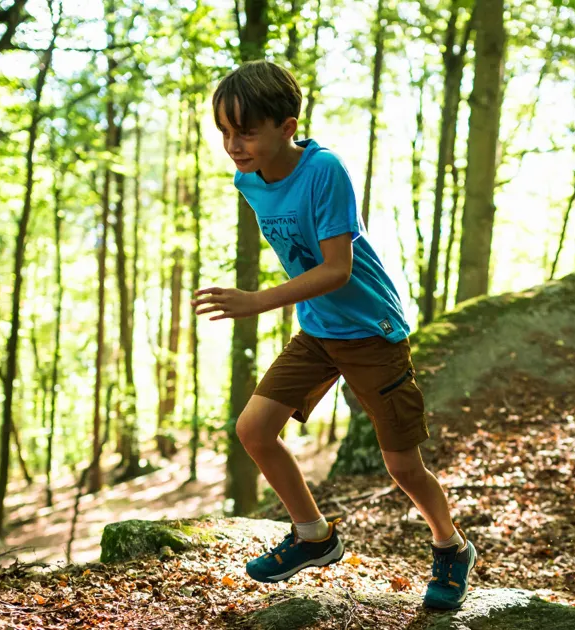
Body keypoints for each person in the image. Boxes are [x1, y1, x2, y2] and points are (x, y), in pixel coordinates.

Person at [192, 60, 475, 609]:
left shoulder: (325, 171)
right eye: (224, 132)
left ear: (287, 126)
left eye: (246, 131)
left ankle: (451, 547)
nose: (233, 145)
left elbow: (336, 269)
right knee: (253, 430)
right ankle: (313, 535)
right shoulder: (248, 179)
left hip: (371, 331)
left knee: (402, 466)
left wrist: (255, 301)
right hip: (319, 330)